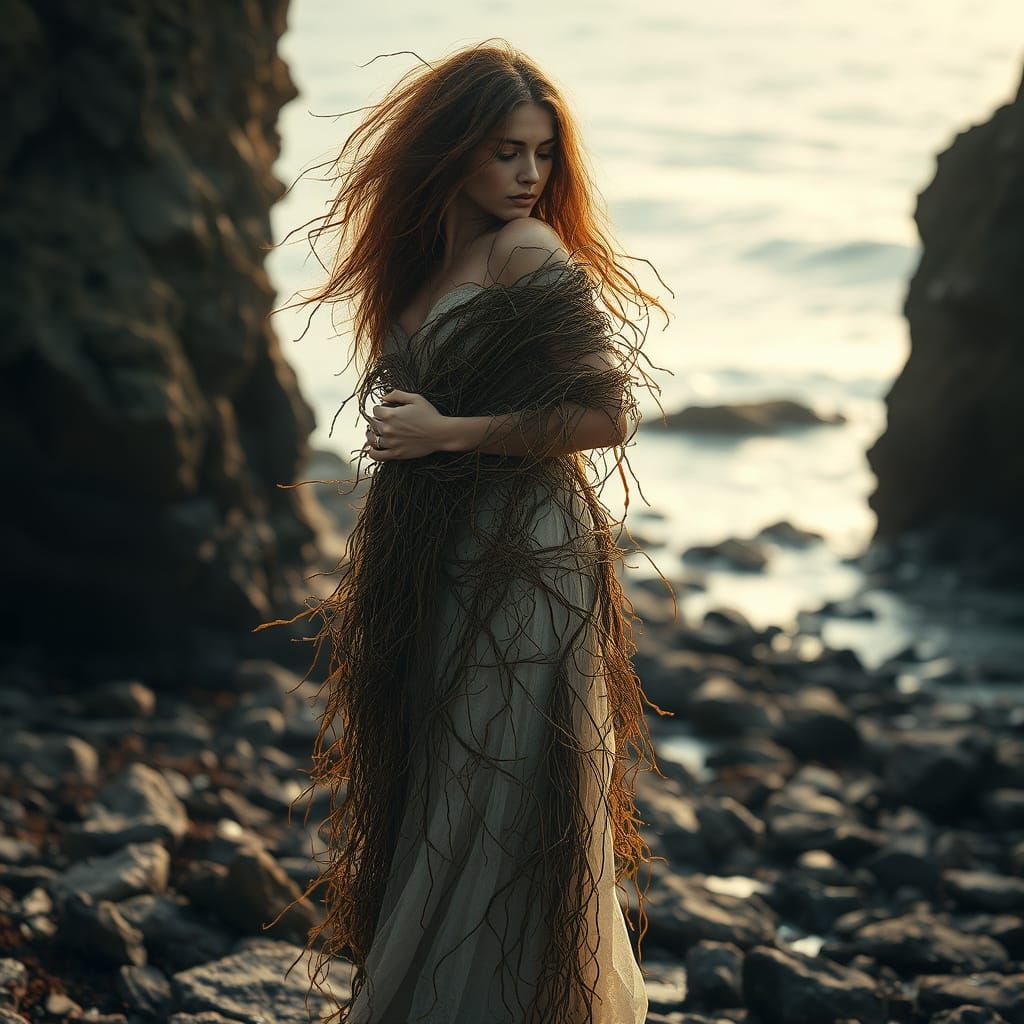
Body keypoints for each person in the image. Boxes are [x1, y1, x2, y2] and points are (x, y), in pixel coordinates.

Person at [263, 39, 673, 1024]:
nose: (530, 175)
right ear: (451, 149)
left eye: (543, 153)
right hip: (440, 559)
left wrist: (447, 432)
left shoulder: (529, 251)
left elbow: (604, 415)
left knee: (496, 784)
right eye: (506, 151)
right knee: (440, 773)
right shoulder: (425, 263)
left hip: (525, 556)